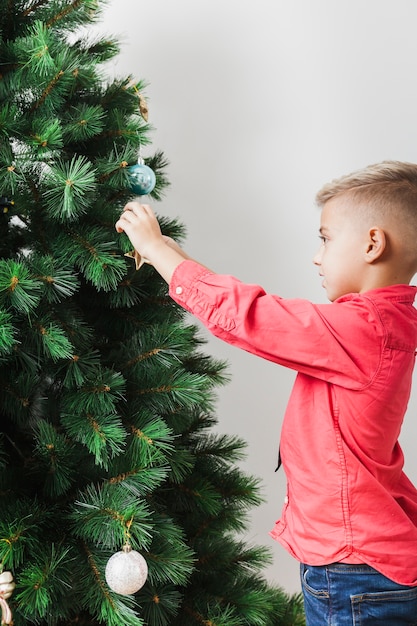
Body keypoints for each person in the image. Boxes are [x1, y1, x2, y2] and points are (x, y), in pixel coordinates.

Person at [115, 160, 417, 625]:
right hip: (359, 559)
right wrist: (178, 262)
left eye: (325, 238)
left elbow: (254, 318)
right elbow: (257, 316)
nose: (317, 256)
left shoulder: (362, 328)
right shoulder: (381, 324)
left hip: (354, 568)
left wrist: (157, 250)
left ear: (373, 244)